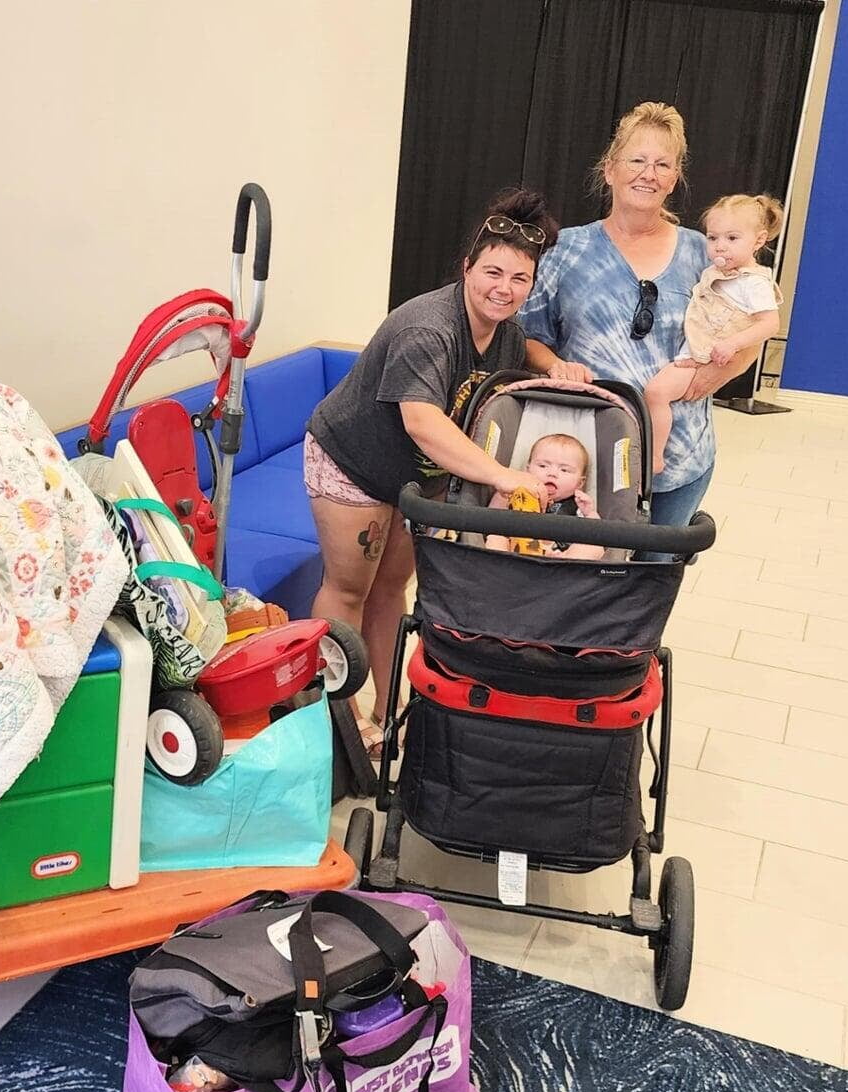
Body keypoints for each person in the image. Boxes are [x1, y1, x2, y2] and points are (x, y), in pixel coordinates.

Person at [305, 187, 559, 753]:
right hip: (354, 461)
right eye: (492, 272)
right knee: (349, 587)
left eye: (520, 280)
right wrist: (502, 476)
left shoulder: (504, 328)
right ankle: (339, 722)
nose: (504, 288)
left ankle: (388, 702)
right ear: (466, 267)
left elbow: (526, 347)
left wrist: (556, 364)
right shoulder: (430, 329)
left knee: (393, 584)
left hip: (414, 478)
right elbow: (421, 421)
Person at [519, 102, 718, 528]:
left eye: (663, 164)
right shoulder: (566, 249)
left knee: (655, 581)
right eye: (637, 160)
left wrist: (717, 374)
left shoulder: (703, 252)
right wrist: (555, 365)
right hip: (588, 456)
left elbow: (749, 328)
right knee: (582, 577)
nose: (649, 173)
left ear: (674, 179)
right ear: (609, 169)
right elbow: (526, 336)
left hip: (680, 459)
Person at [642, 195, 784, 473]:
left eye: (732, 238)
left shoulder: (753, 283)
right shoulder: (716, 272)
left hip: (704, 358)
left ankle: (655, 456)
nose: (720, 246)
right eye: (713, 238)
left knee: (656, 392)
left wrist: (733, 344)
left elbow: (769, 324)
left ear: (758, 241)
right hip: (693, 350)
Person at [484, 434, 605, 561]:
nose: (552, 473)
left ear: (580, 483)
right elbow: (491, 518)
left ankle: (565, 561)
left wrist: (590, 513)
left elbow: (597, 533)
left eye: (564, 470)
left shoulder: (579, 505)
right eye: (543, 466)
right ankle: (500, 565)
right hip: (516, 550)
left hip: (559, 553)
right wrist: (502, 496)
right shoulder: (517, 493)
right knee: (495, 537)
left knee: (594, 546)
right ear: (528, 470)